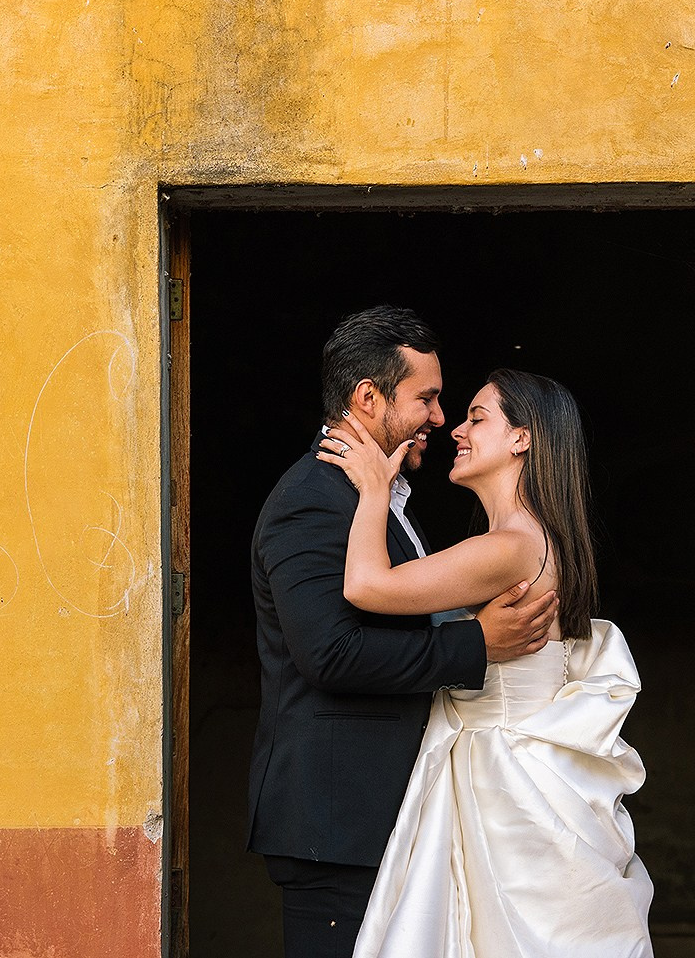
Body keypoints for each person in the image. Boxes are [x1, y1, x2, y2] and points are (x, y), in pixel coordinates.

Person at [250, 308, 562, 958]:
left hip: (382, 815)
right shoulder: (313, 498)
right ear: (369, 397)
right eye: (426, 397)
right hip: (338, 822)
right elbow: (330, 654)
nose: (440, 417)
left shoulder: (384, 498)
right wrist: (476, 642)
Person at [319, 369, 654, 958]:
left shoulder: (511, 547)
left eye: (478, 418)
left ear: (521, 439)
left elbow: (366, 586)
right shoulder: (537, 538)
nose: (457, 430)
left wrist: (374, 490)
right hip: (515, 767)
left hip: (504, 779)